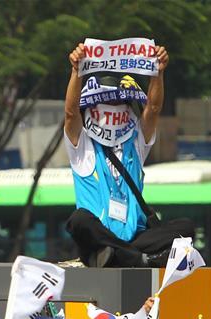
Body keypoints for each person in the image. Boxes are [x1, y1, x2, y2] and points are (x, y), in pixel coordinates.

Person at [63, 42, 195, 268]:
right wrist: (76, 71)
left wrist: (158, 72)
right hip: (98, 241)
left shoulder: (135, 143)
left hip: (134, 238)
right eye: (107, 102)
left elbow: (153, 109)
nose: (114, 108)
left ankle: (119, 254)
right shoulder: (83, 147)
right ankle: (132, 257)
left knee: (186, 228)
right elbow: (70, 112)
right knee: (79, 220)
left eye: (120, 102)